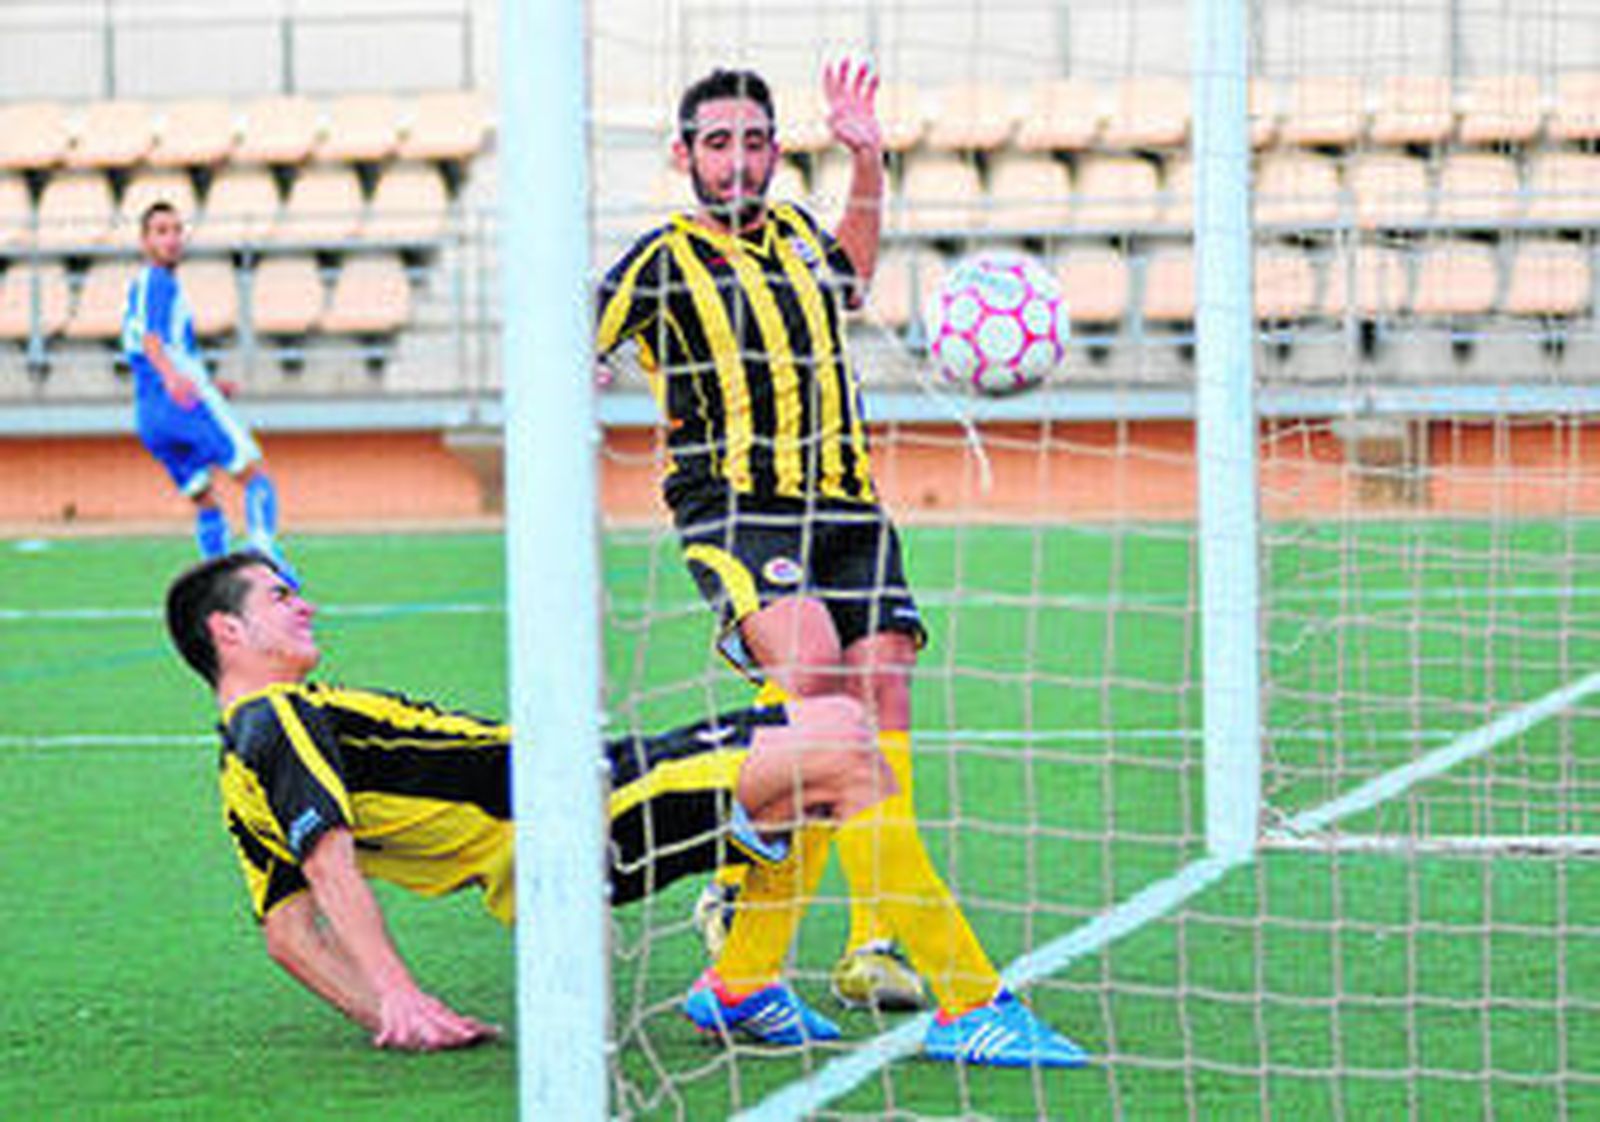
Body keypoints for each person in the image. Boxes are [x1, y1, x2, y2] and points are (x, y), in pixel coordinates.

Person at [163, 551, 1088, 1066]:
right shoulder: (276, 719)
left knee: (825, 727)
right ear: (227, 630)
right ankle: (971, 1004)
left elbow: (287, 933)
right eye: (281, 597)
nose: (306, 605)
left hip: (589, 789)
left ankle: (742, 983)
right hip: (576, 817)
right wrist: (397, 995)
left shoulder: (240, 762)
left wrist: (387, 1011)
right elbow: (325, 866)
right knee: (845, 744)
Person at [595, 61, 932, 1011]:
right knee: (814, 675)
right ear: (684, 155)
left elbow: (851, 278)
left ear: (776, 151)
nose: (737, 161)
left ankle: (875, 941)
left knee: (884, 687)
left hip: (848, 505)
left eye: (752, 142)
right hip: (737, 509)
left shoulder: (795, 236)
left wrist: (866, 160)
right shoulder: (658, 261)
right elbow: (574, 337)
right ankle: (742, 895)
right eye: (718, 143)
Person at [123, 201, 288, 567]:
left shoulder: (143, 287)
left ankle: (213, 576)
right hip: (181, 402)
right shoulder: (156, 281)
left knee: (205, 499)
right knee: (255, 476)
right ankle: (267, 564)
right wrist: (174, 379)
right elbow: (152, 339)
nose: (172, 239)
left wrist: (208, 383)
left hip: (150, 415)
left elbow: (163, 346)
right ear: (144, 241)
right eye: (161, 231)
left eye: (177, 230)